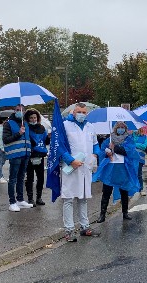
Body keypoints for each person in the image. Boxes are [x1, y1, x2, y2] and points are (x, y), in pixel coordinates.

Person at [60, 103, 99, 241]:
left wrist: (95, 156)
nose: (82, 114)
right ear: (73, 112)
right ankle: (69, 230)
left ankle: (85, 226)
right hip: (71, 167)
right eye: (79, 111)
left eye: (84, 112)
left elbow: (95, 144)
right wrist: (70, 160)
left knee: (83, 198)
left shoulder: (90, 127)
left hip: (85, 167)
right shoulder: (65, 125)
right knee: (69, 199)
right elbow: (59, 146)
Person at [94, 121, 140, 223]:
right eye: (118, 127)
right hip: (110, 170)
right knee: (106, 192)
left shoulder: (129, 139)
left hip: (123, 170)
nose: (120, 129)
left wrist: (115, 148)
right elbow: (102, 153)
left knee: (124, 191)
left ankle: (125, 212)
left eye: (122, 127)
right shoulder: (108, 140)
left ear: (125, 129)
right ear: (115, 128)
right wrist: (108, 152)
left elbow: (130, 151)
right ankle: (102, 214)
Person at [3, 105, 34, 212]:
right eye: (17, 110)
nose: (19, 112)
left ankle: (20, 199)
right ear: (14, 111)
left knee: (21, 178)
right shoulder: (8, 123)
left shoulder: (25, 123)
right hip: (15, 155)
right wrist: (19, 133)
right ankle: (12, 202)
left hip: (25, 155)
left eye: (22, 110)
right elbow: (6, 139)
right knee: (13, 179)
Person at [25, 109, 49, 206]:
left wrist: (49, 138)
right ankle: (30, 199)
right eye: (31, 118)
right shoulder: (26, 128)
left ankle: (39, 197)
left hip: (40, 156)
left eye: (35, 117)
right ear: (28, 118)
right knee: (30, 178)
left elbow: (45, 142)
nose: (33, 119)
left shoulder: (42, 128)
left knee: (41, 178)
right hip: (30, 156)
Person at [131, 128, 147, 196]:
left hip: (139, 159)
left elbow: (145, 146)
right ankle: (131, 189)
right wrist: (138, 145)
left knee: (139, 174)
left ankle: (141, 189)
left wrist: (135, 144)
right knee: (130, 173)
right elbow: (129, 145)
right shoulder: (131, 136)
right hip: (130, 159)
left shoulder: (144, 137)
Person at [0, 116, 8, 183]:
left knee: (1, 162)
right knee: (0, 163)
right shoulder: (1, 129)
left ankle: (0, 177)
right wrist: (2, 148)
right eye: (6, 120)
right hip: (1, 147)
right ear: (3, 121)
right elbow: (0, 139)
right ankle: (0, 177)